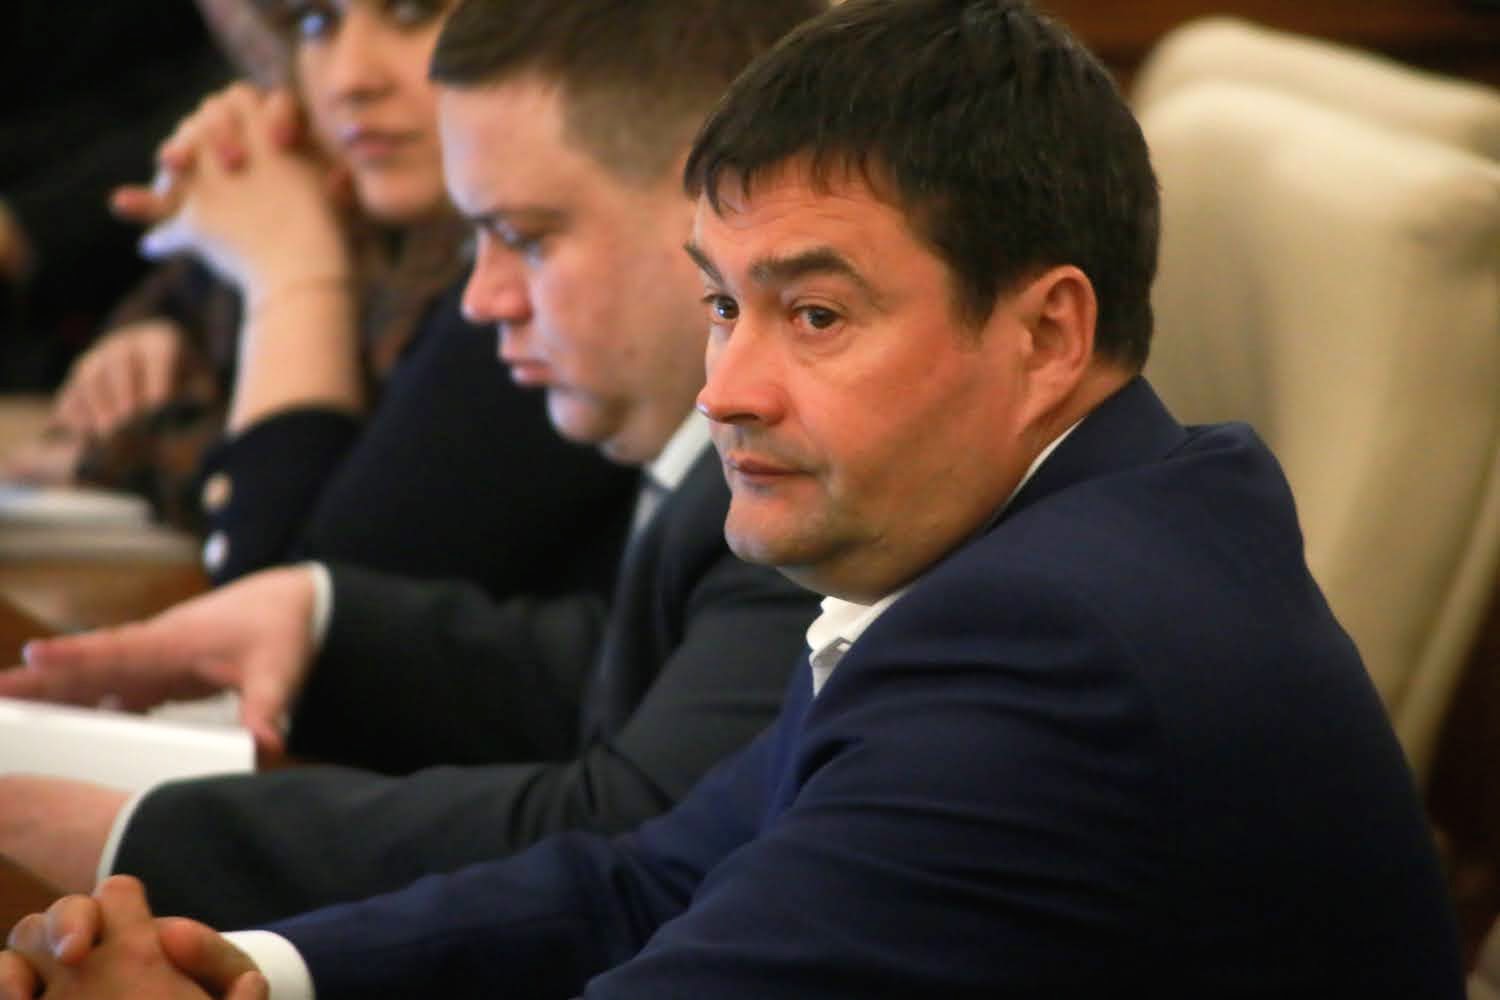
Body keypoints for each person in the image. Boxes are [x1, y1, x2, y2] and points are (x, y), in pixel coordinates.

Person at [0, 0, 1465, 996]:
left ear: (1047, 333)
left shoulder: (1048, 656)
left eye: (815, 316)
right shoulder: (1038, 538)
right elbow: (650, 882)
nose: (729, 391)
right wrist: (254, 973)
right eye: (721, 306)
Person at [0, 0, 824, 930]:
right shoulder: (693, 459)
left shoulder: (801, 468)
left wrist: (139, 834)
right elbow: (605, 669)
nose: (480, 301)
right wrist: (319, 618)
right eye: (315, 22)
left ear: (718, 207)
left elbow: (634, 837)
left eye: (526, 238)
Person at [5, 0, 639, 603]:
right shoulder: (372, 235)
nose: (350, 78)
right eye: (315, 21)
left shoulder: (547, 276)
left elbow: (293, 614)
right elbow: (170, 371)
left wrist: (293, 272)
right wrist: (171, 339)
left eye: (412, 11)